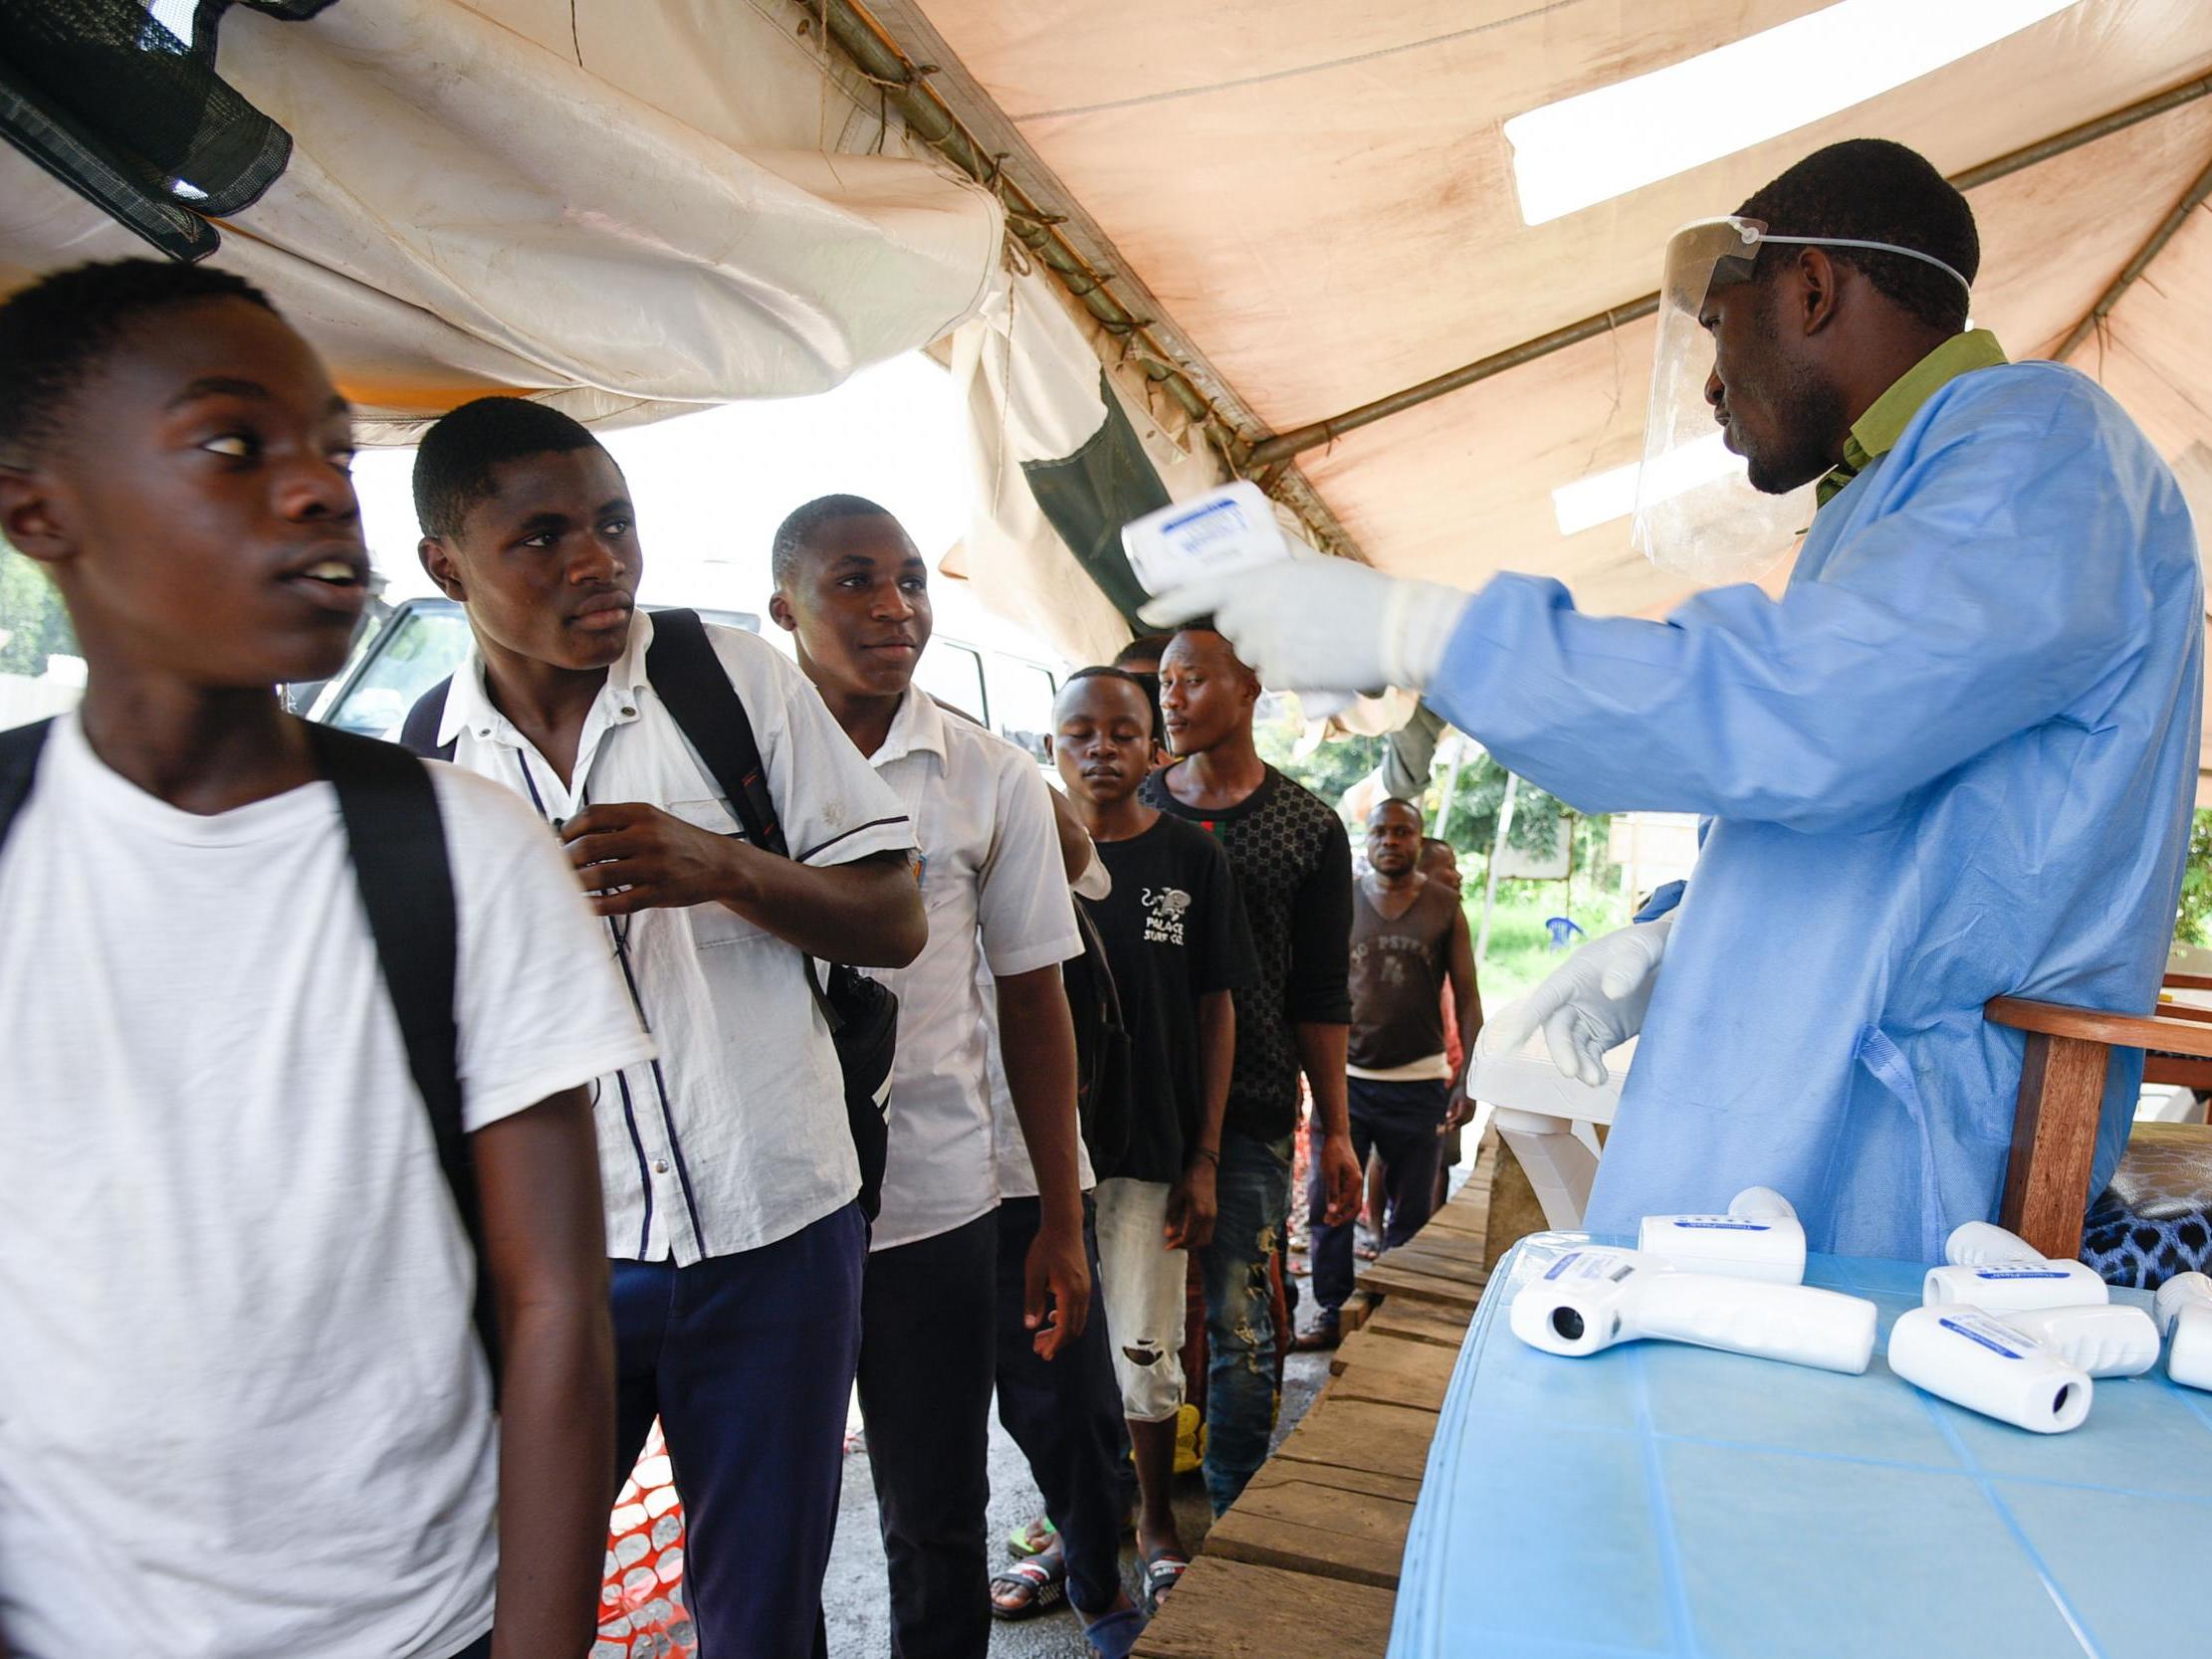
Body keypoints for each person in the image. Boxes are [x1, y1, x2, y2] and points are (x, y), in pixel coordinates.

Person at [1143, 138, 2204, 1262]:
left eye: (1718, 326)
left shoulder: (2038, 446)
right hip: (1819, 1108)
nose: (1707, 381)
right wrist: (1676, 935)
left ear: (1808, 286)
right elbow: (1882, 808)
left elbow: (1804, 711)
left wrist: (1427, 633)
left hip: (1901, 1155)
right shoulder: (1900, 493)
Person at [0, 261, 651, 1659]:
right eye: (232, 445)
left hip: (406, 1623)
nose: (315, 491)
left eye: (333, 453)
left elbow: (554, 1308)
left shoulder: (461, 852)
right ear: (36, 507)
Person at [409, 400, 926, 1657]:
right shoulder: (430, 756)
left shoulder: (728, 678)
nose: (597, 560)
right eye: (542, 535)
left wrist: (724, 864)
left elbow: (894, 915)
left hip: (777, 1235)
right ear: (445, 565)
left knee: (757, 1615)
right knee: (511, 1604)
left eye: (613, 522)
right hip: (566, 1266)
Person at [770, 497, 1138, 1659]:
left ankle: (1104, 1564)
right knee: (774, 1522)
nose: (894, 607)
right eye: (854, 582)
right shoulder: (736, 769)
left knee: (944, 1501)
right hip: (775, 1205)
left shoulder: (986, 775)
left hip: (945, 1193)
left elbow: (1036, 1002)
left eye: (913, 580)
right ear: (783, 607)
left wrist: (1060, 1215)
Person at [1140, 626, 1360, 1512]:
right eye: (1164, 681)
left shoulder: (1308, 827)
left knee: (1241, 1324)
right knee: (1133, 1318)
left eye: (1194, 678)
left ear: (1250, 684)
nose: (1173, 697)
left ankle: (1235, 1514)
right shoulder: (1134, 806)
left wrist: (1337, 1128)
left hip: (1255, 1110)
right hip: (1136, 1107)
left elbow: (1320, 993)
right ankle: (1120, 1498)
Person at [1052, 667, 1256, 1606]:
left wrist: (1204, 1155)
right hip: (1043, 1151)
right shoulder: (1023, 848)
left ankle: (1153, 1518)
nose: (1101, 748)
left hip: (1151, 1146)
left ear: (1154, 749)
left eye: (1122, 732)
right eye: (1079, 731)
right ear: (1050, 745)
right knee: (1057, 1345)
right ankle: (1071, 1523)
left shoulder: (1192, 857)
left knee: (1145, 1341)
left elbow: (1218, 1007)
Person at [1298, 799, 1480, 1349]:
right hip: (1345, 1080)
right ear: (1366, 837)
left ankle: (1385, 1311)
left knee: (1412, 1209)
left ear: (1419, 841)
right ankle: (1332, 1311)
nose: (1391, 841)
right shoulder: (1341, 901)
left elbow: (1469, 999)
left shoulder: (1444, 907)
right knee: (1329, 1202)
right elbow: (1307, 985)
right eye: (1381, 831)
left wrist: (1468, 1075)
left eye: (1403, 832)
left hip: (1419, 1081)